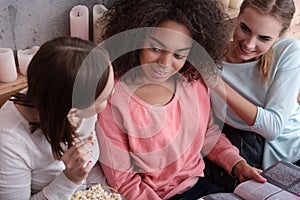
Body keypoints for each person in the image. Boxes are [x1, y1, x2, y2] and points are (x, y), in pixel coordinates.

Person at [95, 0, 266, 199]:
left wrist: (237, 164)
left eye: (178, 55)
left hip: (199, 185)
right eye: (156, 49)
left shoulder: (192, 80)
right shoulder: (112, 98)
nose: (165, 64)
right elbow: (124, 181)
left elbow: (208, 135)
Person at [0, 36, 114, 199]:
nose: (113, 94)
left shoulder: (73, 96)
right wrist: (69, 179)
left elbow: (91, 167)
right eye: (104, 98)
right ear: (72, 112)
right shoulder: (9, 142)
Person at [204, 0, 300, 192]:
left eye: (264, 38)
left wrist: (216, 83)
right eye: (245, 28)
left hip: (294, 146)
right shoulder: (210, 54)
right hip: (248, 151)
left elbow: (273, 127)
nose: (249, 44)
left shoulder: (289, 50)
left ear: (278, 37)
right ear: (238, 17)